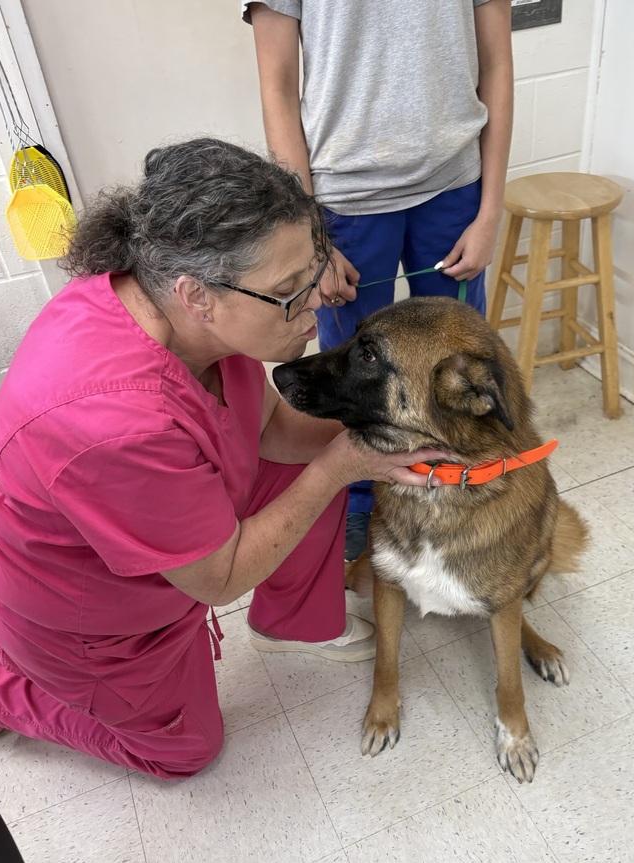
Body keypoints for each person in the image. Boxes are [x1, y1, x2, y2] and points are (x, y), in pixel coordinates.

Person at [0, 138, 442, 778]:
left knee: (311, 467)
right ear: (196, 296)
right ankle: (7, 692)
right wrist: (344, 462)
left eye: (312, 271)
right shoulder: (112, 423)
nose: (316, 301)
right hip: (92, 618)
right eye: (291, 290)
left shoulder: (178, 310)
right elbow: (220, 578)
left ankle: (289, 621)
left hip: (167, 536)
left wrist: (398, 435)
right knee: (185, 752)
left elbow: (272, 432)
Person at [245, 0, 513, 558]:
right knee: (350, 374)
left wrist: (490, 211)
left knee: (460, 368)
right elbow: (276, 86)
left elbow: (497, 64)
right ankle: (363, 501)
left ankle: (463, 490)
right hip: (344, 201)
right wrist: (311, 231)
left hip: (455, 190)